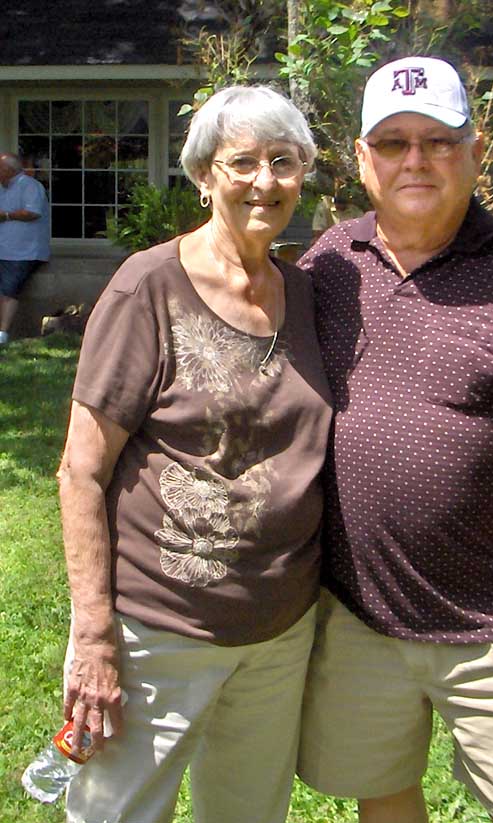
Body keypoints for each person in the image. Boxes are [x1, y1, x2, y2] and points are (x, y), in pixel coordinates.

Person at [297, 56, 493, 823]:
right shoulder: (328, 265)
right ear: (363, 160)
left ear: (474, 153)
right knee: (383, 792)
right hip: (360, 613)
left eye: (438, 141)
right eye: (393, 142)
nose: (416, 160)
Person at [56, 85, 332, 823]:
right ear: (205, 175)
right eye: (242, 162)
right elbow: (81, 470)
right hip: (157, 631)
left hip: (278, 630)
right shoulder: (148, 288)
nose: (265, 181)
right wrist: (94, 634)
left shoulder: (306, 294)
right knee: (116, 814)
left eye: (284, 161)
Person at [0, 153, 50, 345]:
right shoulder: (2, 188)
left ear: (8, 170)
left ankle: (3, 333)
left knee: (9, 290)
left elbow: (32, 212)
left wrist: (6, 216)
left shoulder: (30, 186)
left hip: (23, 251)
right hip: (5, 249)